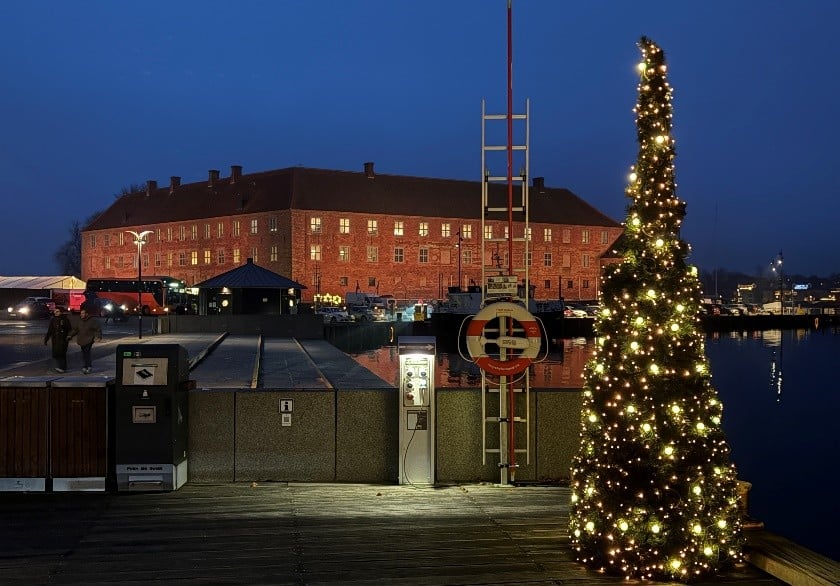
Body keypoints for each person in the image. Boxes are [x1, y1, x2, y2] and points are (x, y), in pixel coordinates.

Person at [67, 307, 102, 374]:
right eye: (81, 313)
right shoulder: (79, 321)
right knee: (84, 353)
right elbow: (76, 330)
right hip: (81, 339)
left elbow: (97, 329)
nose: (81, 315)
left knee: (87, 353)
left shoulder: (92, 321)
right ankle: (85, 366)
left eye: (83, 313)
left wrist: (98, 336)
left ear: (86, 314)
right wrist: (70, 335)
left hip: (89, 339)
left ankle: (88, 366)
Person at [44, 307, 72, 373]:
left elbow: (69, 329)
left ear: (60, 312)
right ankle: (59, 366)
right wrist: (46, 339)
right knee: (56, 354)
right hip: (55, 340)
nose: (55, 313)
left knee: (62, 353)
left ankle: (62, 367)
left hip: (63, 339)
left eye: (57, 311)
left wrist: (68, 336)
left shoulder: (65, 320)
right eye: (55, 311)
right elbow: (50, 330)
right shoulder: (53, 320)